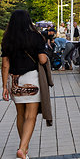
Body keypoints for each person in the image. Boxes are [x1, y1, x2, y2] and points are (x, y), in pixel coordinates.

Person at [1, 10, 50, 159]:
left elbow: (5, 64)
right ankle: (22, 149)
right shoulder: (36, 37)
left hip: (14, 80)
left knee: (20, 114)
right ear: (28, 21)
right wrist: (45, 57)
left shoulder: (7, 38)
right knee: (31, 116)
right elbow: (42, 60)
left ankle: (24, 148)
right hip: (31, 79)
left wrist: (4, 86)